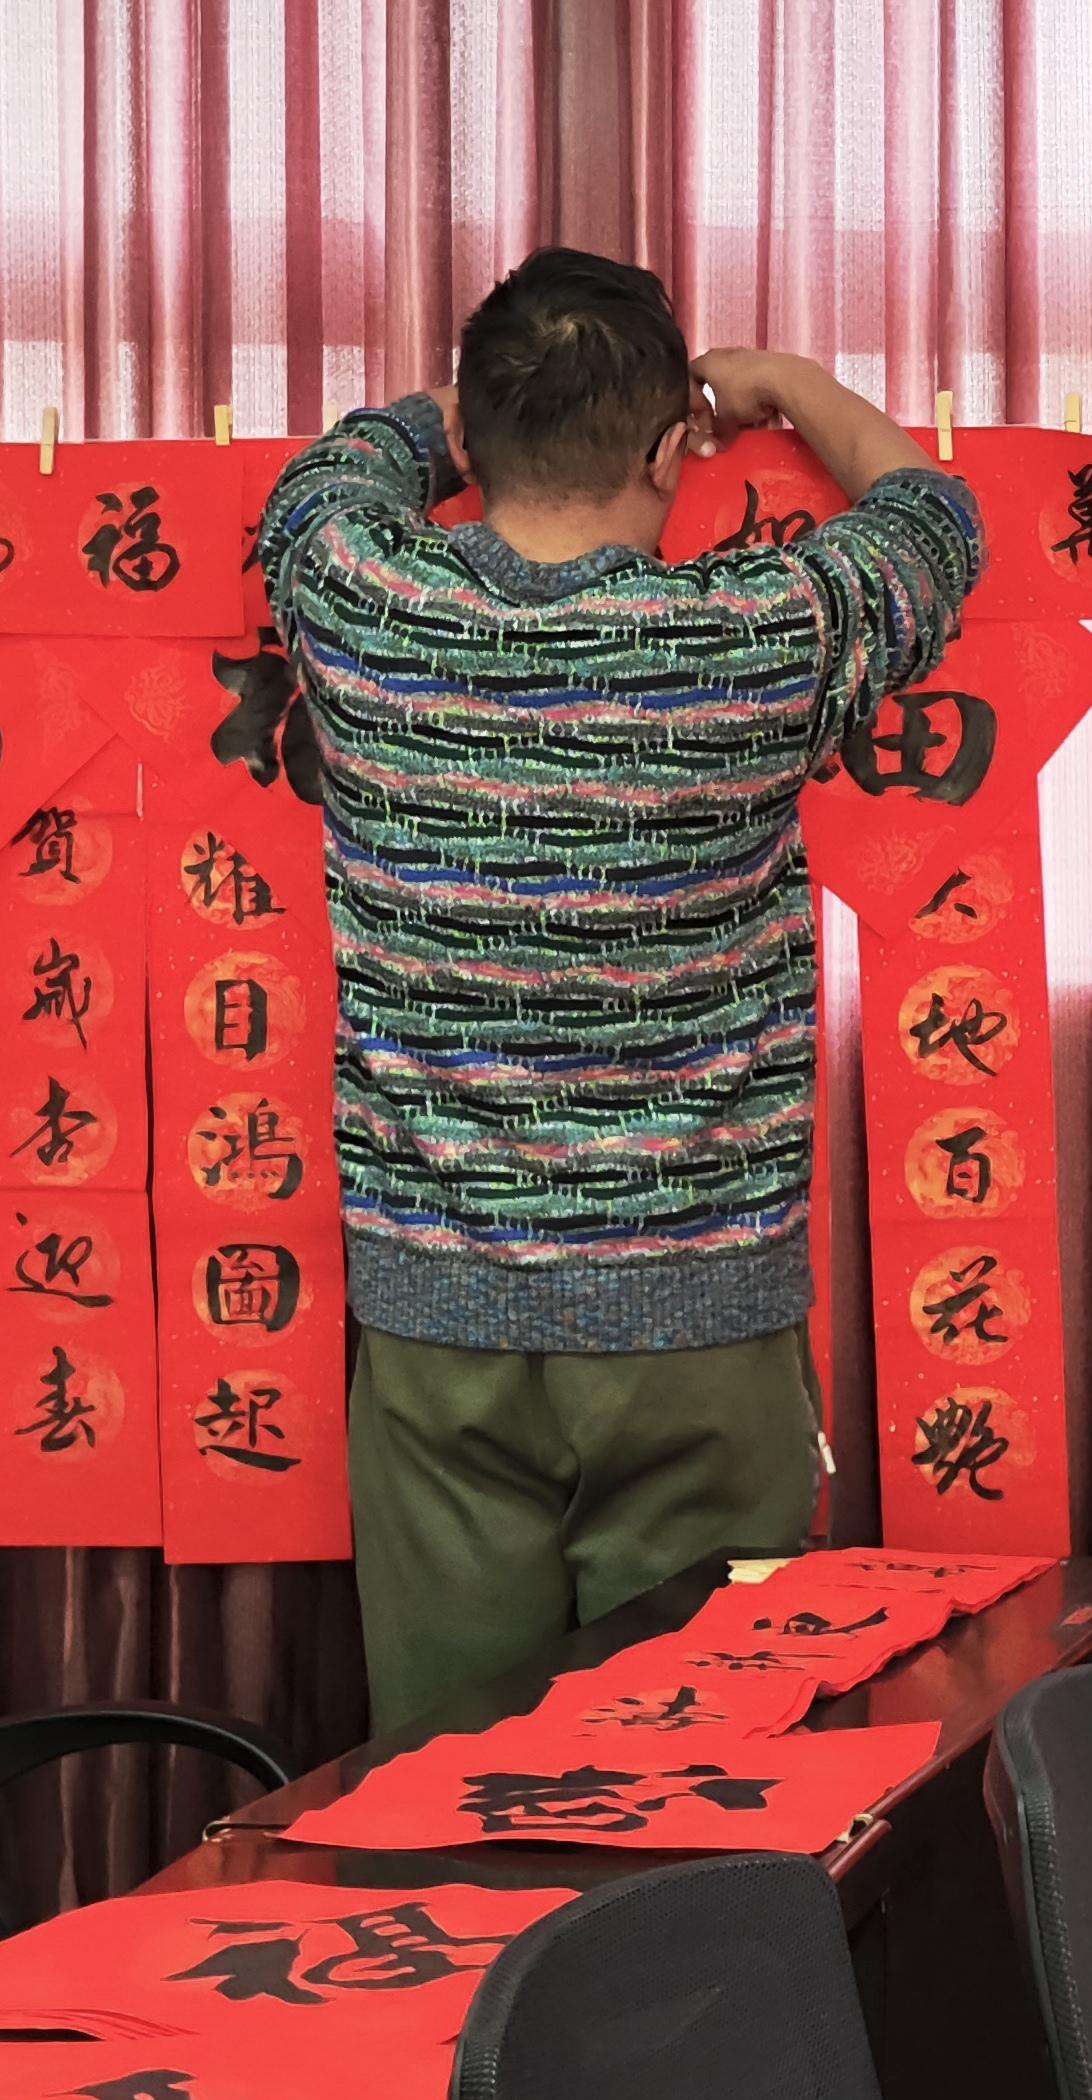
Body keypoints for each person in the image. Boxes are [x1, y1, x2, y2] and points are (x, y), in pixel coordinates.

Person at [257, 245, 981, 1727]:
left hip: (438, 1320)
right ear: (667, 454)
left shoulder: (357, 592)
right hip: (700, 1319)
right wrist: (787, 386)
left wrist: (469, 414)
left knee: (449, 1781)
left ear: (479, 434)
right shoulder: (750, 637)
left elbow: (327, 478)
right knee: (705, 1771)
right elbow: (933, 522)